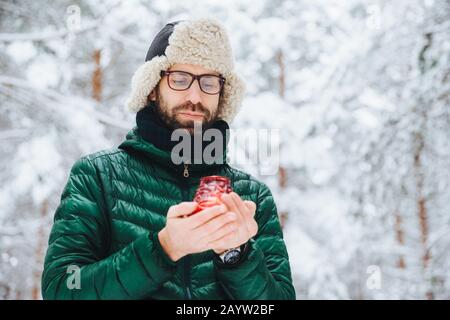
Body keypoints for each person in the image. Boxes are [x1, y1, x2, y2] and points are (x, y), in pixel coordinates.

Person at [41, 18, 295, 300]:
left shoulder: (251, 197)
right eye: (180, 79)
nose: (195, 96)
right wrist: (163, 248)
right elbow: (63, 290)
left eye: (209, 81)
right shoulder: (97, 177)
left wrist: (237, 256)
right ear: (152, 87)